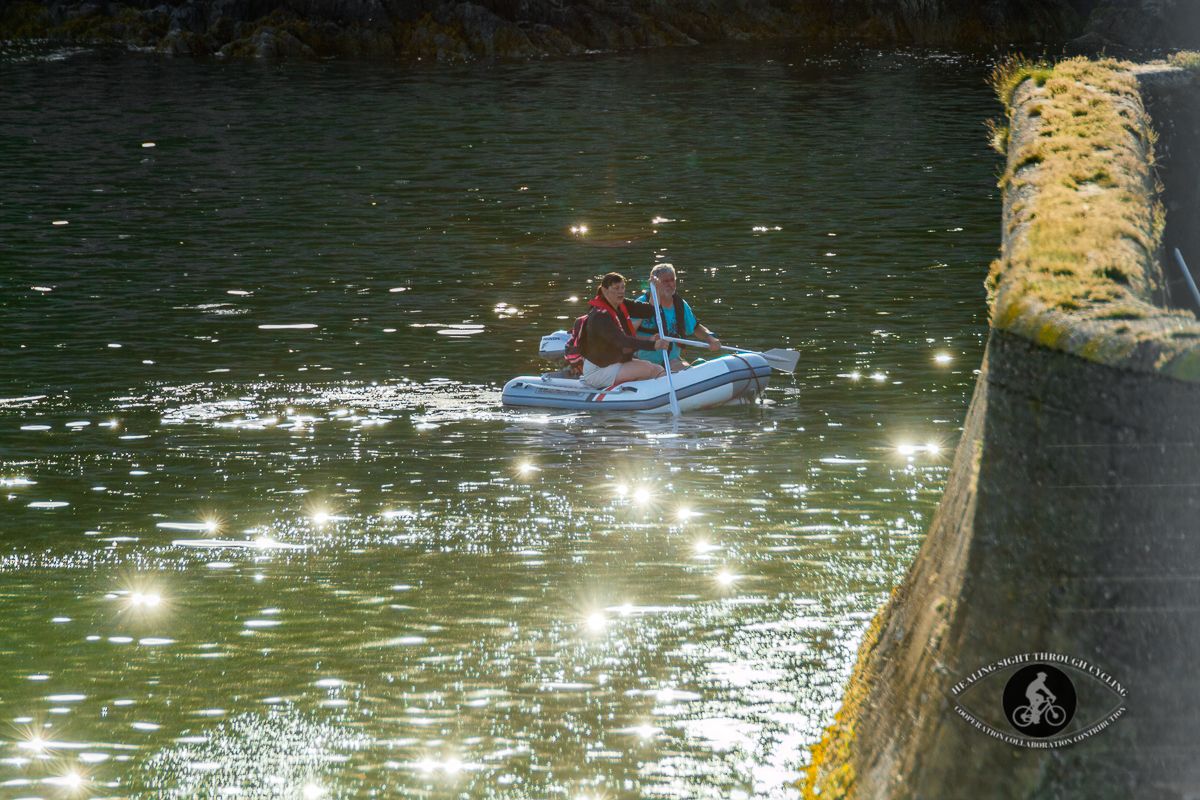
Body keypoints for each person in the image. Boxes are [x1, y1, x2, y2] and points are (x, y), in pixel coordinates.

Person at [580, 272, 671, 389]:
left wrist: (655, 288)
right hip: (599, 370)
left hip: (617, 363)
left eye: (623, 287)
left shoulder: (622, 305)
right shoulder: (599, 316)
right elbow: (622, 341)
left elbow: (650, 311)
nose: (621, 291)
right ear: (604, 290)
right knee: (646, 369)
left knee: (659, 370)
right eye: (616, 288)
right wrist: (653, 345)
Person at [633, 263, 721, 372]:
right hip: (644, 364)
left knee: (689, 371)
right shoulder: (640, 304)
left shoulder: (680, 305)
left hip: (672, 361)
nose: (671, 284)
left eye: (672, 280)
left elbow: (696, 328)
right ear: (654, 283)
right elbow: (626, 336)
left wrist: (710, 337)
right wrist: (650, 340)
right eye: (665, 281)